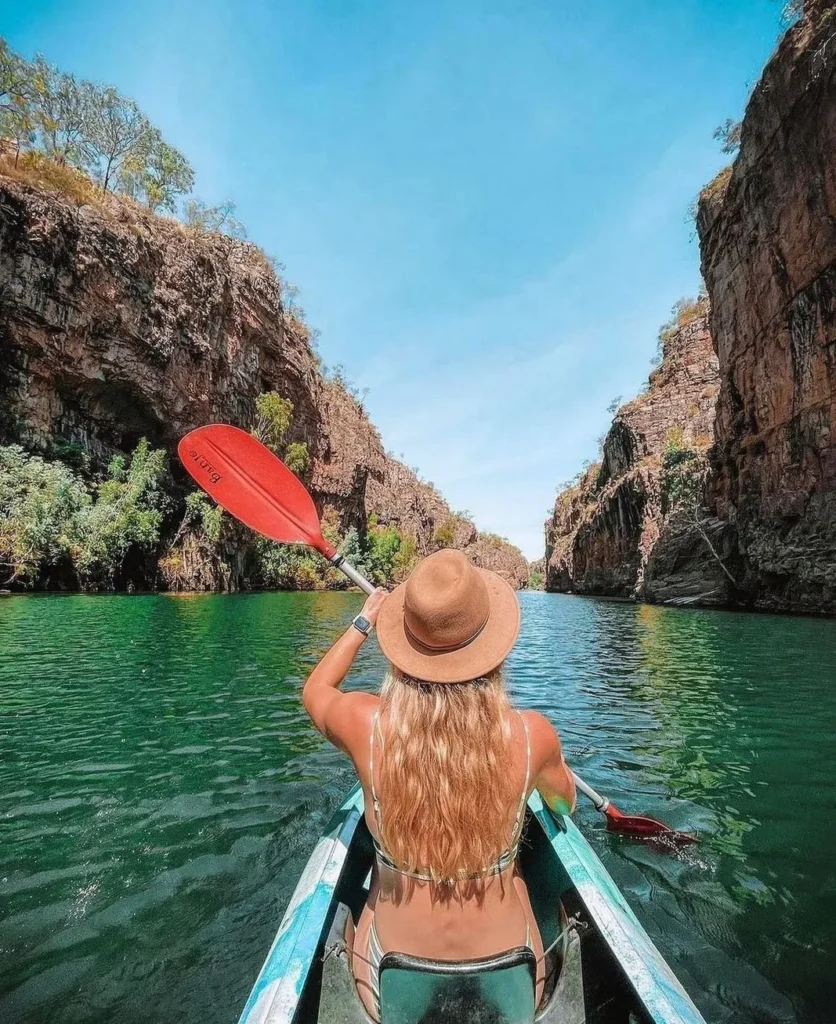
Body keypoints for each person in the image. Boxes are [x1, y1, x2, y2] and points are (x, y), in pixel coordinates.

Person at [302, 548, 576, 1021]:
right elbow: (564, 804)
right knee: (520, 883)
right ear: (491, 647)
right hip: (511, 982)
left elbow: (315, 692)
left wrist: (364, 621)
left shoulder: (366, 727)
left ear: (404, 648)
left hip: (389, 979)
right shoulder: (532, 736)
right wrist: (553, 763)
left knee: (372, 899)